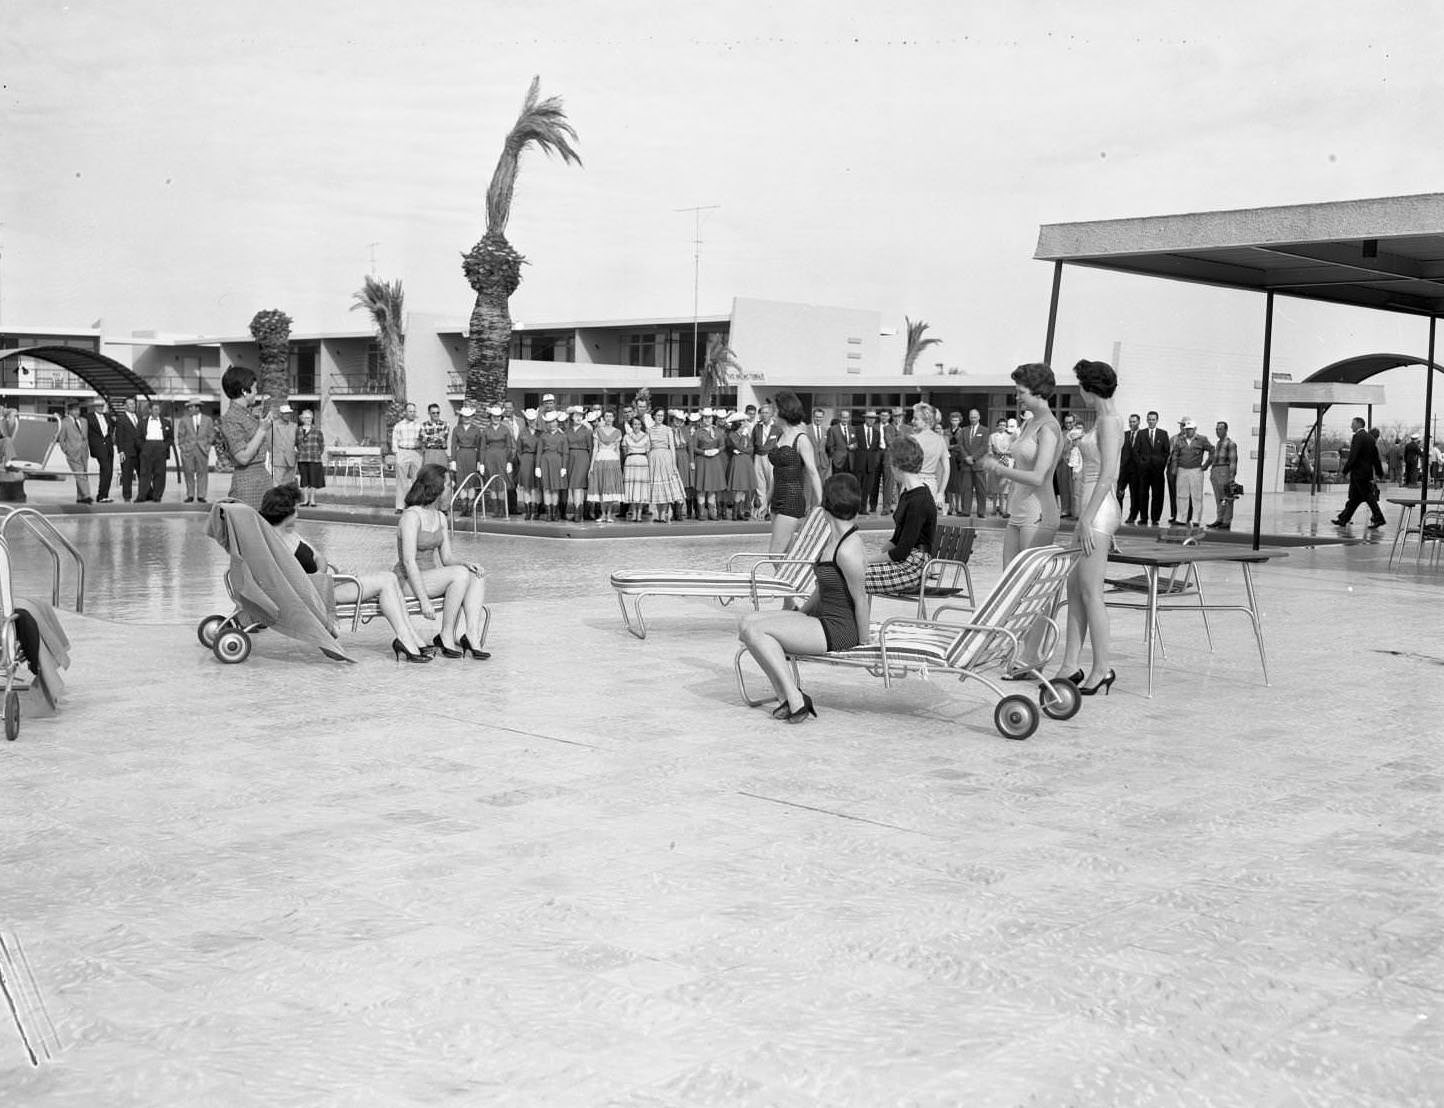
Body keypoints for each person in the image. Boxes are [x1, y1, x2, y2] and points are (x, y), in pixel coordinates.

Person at [739, 473, 870, 723]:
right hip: (823, 621)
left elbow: (861, 598)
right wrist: (799, 614)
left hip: (839, 629)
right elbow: (823, 588)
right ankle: (788, 696)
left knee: (757, 632)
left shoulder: (848, 548)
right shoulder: (834, 541)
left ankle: (793, 698)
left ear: (826, 505)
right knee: (746, 623)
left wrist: (864, 644)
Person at [259, 483, 432, 663]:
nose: (298, 511)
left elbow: (320, 557)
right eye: (295, 508)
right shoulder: (275, 544)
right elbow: (292, 580)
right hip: (316, 591)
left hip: (324, 583)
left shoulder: (291, 534)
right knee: (387, 580)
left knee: (390, 579)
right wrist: (321, 577)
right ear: (286, 512)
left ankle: (411, 638)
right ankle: (406, 639)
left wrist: (321, 572)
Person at [1051, 360, 1124, 698]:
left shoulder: (1109, 422)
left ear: (1089, 388)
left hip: (1099, 510)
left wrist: (1084, 518)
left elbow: (1108, 475)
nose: (1078, 392)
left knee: (1091, 591)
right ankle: (1070, 664)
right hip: (1092, 510)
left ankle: (1102, 667)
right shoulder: (1101, 421)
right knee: (1074, 586)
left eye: (1079, 385)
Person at [394, 465, 490, 659]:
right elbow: (408, 561)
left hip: (431, 577)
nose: (451, 487)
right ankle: (446, 634)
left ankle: (471, 635)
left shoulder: (440, 517)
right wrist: (424, 601)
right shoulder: (411, 516)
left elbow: (447, 559)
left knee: (475, 575)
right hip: (408, 580)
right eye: (448, 484)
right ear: (435, 488)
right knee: (459, 574)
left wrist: (466, 563)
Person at [982, 364, 1064, 566]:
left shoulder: (1048, 428)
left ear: (1038, 392)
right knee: (1009, 579)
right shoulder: (1029, 423)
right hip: (1018, 508)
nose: (1016, 397)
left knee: (1029, 582)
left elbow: (1038, 476)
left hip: (1039, 512)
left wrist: (999, 469)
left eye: (1021, 392)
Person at [864, 434, 936, 596]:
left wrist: (866, 562)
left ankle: (812, 615)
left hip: (914, 567)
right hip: (905, 562)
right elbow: (896, 540)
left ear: (896, 465)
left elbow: (900, 551)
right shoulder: (908, 494)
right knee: (844, 571)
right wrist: (869, 558)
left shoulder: (919, 500)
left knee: (849, 576)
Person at [766, 390, 824, 554]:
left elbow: (813, 472)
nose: (772, 414)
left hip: (791, 499)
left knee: (775, 555)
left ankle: (784, 580)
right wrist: (766, 500)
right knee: (787, 553)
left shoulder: (801, 439)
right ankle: (797, 579)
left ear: (784, 411)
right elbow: (775, 474)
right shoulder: (779, 437)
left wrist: (821, 504)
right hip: (776, 500)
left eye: (775, 410)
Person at [218, 366, 275, 510]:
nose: (256, 392)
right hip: (248, 484)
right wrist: (262, 430)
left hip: (261, 479)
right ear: (244, 391)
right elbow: (242, 457)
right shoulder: (231, 418)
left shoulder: (247, 415)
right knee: (248, 528)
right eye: (254, 388)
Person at [1331, 417, 1387, 529]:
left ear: (1358, 424)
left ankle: (1379, 517)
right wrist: (1380, 473)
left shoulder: (1358, 437)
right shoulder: (1370, 438)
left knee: (1368, 497)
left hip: (1359, 473)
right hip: (1366, 473)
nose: (1351, 426)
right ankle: (1343, 519)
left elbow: (1353, 456)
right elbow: (1375, 458)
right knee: (1355, 499)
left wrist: (1344, 471)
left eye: (1352, 424)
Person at [1168, 418, 1213, 527]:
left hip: (1196, 470)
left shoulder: (1202, 439)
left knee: (1196, 496)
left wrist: (1206, 465)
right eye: (1186, 429)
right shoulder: (1180, 440)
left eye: (1190, 429)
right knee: (1181, 495)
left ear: (1195, 429)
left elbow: (1212, 450)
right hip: (1182, 470)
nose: (1188, 431)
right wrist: (1174, 468)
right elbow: (1175, 454)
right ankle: (1181, 518)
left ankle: (1196, 519)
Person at [646, 406, 687, 523]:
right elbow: (648, 447)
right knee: (657, 487)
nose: (660, 418)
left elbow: (672, 447)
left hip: (665, 457)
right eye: (658, 415)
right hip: (653, 457)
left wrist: (673, 464)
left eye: (662, 416)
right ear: (654, 416)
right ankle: (658, 514)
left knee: (665, 487)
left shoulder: (668, 430)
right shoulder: (649, 430)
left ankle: (663, 514)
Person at [175, 398, 216, 503]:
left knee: (202, 473)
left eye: (191, 407)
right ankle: (190, 494)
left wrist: (207, 447)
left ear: (197, 407)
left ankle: (201, 495)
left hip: (202, 450)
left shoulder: (208, 420)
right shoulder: (184, 420)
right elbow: (180, 435)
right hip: (188, 450)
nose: (189, 409)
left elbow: (211, 435)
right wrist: (182, 447)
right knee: (188, 473)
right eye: (189, 407)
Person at [911, 403, 950, 509]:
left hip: (913, 484)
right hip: (931, 486)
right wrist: (941, 493)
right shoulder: (940, 440)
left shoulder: (911, 439)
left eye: (915, 419)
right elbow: (946, 470)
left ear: (926, 422)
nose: (912, 421)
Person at [134, 397, 174, 502]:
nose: (157, 411)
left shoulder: (166, 423)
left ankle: (157, 496)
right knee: (144, 474)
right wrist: (143, 448)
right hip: (147, 448)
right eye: (155, 409)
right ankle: (142, 496)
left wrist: (164, 446)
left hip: (160, 449)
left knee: (160, 474)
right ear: (150, 410)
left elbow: (170, 438)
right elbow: (137, 438)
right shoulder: (142, 422)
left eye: (158, 409)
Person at [588, 409, 624, 523]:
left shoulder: (618, 432)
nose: (609, 419)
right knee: (601, 487)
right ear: (604, 418)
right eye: (607, 416)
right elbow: (595, 449)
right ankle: (603, 514)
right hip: (600, 460)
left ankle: (609, 514)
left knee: (610, 488)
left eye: (611, 416)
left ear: (614, 418)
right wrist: (591, 466)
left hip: (612, 461)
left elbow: (618, 449)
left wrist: (618, 464)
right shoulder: (598, 431)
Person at [1136, 410, 1171, 526]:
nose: (1151, 421)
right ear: (1146, 420)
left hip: (1157, 471)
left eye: (1153, 419)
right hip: (1144, 471)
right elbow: (1136, 450)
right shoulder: (1141, 433)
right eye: (1149, 419)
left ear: (1157, 420)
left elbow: (1167, 452)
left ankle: (1155, 518)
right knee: (1143, 494)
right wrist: (1141, 464)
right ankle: (1143, 518)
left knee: (1158, 495)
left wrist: (1161, 464)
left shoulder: (1163, 434)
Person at [953, 409, 989, 519]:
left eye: (974, 417)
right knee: (966, 489)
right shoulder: (964, 430)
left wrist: (973, 458)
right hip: (966, 465)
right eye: (971, 417)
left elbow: (984, 447)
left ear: (979, 417)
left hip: (978, 464)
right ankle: (965, 511)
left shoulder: (985, 430)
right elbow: (961, 445)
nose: (972, 419)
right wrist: (966, 457)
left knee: (981, 490)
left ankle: (981, 511)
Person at [57, 403, 93, 504]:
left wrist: (86, 448)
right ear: (70, 411)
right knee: (80, 474)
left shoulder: (84, 421)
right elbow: (61, 439)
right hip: (72, 453)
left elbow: (85, 437)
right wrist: (67, 451)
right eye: (75, 410)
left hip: (84, 452)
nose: (77, 412)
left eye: (78, 410)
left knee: (83, 475)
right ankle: (87, 495)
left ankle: (80, 497)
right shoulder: (64, 422)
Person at [449, 405, 484, 512]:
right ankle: (463, 505)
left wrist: (479, 461)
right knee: (461, 480)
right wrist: (453, 460)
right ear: (461, 417)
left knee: (471, 481)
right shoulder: (456, 429)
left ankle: (470, 505)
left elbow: (480, 446)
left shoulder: (477, 429)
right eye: (465, 416)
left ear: (472, 417)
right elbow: (453, 445)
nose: (467, 418)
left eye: (469, 416)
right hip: (460, 454)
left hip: (472, 454)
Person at [390, 403, 423, 513]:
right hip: (403, 451)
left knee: (417, 480)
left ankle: (415, 504)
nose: (412, 413)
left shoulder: (419, 426)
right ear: (405, 412)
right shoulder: (399, 425)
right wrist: (397, 454)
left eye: (414, 411)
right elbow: (394, 440)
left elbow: (423, 440)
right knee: (401, 481)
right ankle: (400, 506)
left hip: (416, 452)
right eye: (410, 411)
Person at [1207, 420, 1238, 530]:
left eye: (1220, 429)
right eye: (1216, 429)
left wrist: (1231, 476)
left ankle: (1226, 520)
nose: (1217, 431)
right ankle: (1219, 518)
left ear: (1225, 430)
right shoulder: (1218, 443)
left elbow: (1233, 461)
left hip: (1224, 470)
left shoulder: (1230, 444)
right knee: (1219, 497)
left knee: (1227, 497)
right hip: (1216, 471)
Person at [725, 411, 756, 521]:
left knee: (744, 489)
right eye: (742, 422)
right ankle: (735, 513)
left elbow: (751, 448)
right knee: (739, 489)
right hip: (738, 462)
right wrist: (743, 437)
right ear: (738, 424)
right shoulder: (732, 435)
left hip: (745, 461)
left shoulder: (746, 434)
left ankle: (739, 512)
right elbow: (739, 447)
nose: (745, 424)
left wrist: (744, 450)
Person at [537, 411, 568, 521]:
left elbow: (565, 453)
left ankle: (555, 513)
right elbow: (539, 452)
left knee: (555, 488)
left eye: (553, 421)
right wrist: (537, 467)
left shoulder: (563, 436)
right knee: (546, 488)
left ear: (557, 422)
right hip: (545, 461)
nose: (551, 424)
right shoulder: (543, 436)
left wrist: (564, 467)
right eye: (549, 422)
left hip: (558, 462)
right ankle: (548, 514)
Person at [84, 397, 116, 503]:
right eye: (98, 406)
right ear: (94, 407)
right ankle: (101, 495)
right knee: (106, 469)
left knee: (109, 472)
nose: (100, 408)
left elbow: (115, 426)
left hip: (109, 447)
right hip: (98, 447)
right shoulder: (88, 417)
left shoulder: (108, 416)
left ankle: (104, 495)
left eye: (102, 406)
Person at [564, 407, 593, 522]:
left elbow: (590, 448)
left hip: (582, 458)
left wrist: (590, 464)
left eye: (581, 415)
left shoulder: (587, 431)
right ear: (571, 417)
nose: (579, 417)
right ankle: (578, 512)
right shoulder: (567, 431)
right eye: (576, 415)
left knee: (579, 486)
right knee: (573, 486)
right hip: (570, 458)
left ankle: (578, 514)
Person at [294, 407, 326, 507]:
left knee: (313, 480)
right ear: (302, 419)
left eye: (309, 418)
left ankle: (312, 500)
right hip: (302, 459)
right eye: (305, 418)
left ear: (312, 418)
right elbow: (295, 443)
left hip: (314, 459)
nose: (307, 420)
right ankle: (305, 500)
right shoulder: (298, 430)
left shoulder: (317, 431)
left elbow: (321, 445)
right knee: (304, 480)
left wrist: (316, 453)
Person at [621, 416, 651, 520]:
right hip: (631, 462)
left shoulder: (646, 436)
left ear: (641, 425)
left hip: (642, 462)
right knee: (632, 487)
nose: (636, 426)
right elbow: (624, 450)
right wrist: (631, 457)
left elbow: (648, 451)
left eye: (638, 424)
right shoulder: (626, 436)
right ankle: (633, 512)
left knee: (641, 487)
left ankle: (639, 513)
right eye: (634, 424)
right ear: (631, 425)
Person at [856, 410, 885, 515]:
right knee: (857, 487)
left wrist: (875, 461)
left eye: (873, 419)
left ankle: (863, 508)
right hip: (859, 463)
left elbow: (877, 449)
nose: (871, 420)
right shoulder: (857, 430)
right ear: (865, 418)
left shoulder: (876, 433)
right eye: (869, 418)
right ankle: (855, 508)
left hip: (871, 465)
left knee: (867, 487)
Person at [514, 408, 541, 520]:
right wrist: (522, 461)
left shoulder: (540, 433)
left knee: (537, 487)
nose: (531, 422)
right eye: (529, 420)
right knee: (526, 487)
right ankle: (528, 511)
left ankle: (537, 511)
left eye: (533, 419)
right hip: (525, 459)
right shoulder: (522, 433)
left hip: (538, 459)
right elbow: (519, 449)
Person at [113, 397, 141, 502]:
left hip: (140, 451)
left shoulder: (139, 417)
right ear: (125, 406)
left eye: (134, 404)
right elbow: (119, 437)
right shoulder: (121, 419)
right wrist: (121, 451)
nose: (132, 406)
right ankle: (127, 496)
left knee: (142, 473)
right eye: (130, 404)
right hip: (127, 452)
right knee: (127, 475)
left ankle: (143, 494)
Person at [1118, 413, 1142, 522]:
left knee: (1134, 495)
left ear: (1138, 422)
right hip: (1123, 470)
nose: (1132, 424)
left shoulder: (1143, 435)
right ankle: (1117, 515)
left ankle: (1132, 516)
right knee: (1119, 493)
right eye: (1130, 422)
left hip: (1136, 471)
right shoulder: (1124, 435)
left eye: (1134, 421)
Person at [987, 416, 1012, 517]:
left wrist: (1004, 452)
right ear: (997, 426)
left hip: (1005, 460)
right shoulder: (992, 436)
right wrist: (993, 452)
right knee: (994, 485)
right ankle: (993, 508)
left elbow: (1012, 450)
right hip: (995, 460)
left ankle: (1002, 508)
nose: (1002, 427)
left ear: (1006, 427)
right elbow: (989, 448)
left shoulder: (1010, 437)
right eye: (1000, 425)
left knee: (1003, 486)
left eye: (1003, 425)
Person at [269, 404, 298, 489]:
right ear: (280, 414)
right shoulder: (273, 425)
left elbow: (297, 442)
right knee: (277, 484)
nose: (287, 415)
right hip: (278, 459)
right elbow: (269, 442)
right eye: (285, 413)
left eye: (289, 413)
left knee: (288, 485)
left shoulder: (294, 426)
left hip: (291, 459)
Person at [418, 403, 450, 469]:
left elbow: (443, 438)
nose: (436, 415)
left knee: (442, 474)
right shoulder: (423, 425)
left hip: (441, 451)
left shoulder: (445, 424)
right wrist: (438, 436)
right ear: (429, 413)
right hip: (429, 452)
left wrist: (428, 437)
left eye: (438, 413)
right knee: (428, 474)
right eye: (433, 413)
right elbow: (422, 439)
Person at [826, 408, 854, 477]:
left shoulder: (852, 429)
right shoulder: (833, 429)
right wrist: (835, 456)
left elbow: (856, 442)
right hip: (838, 460)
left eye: (846, 418)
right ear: (840, 418)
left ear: (849, 418)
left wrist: (854, 446)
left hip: (849, 460)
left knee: (848, 480)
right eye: (843, 418)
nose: (845, 420)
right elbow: (830, 445)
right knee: (837, 480)